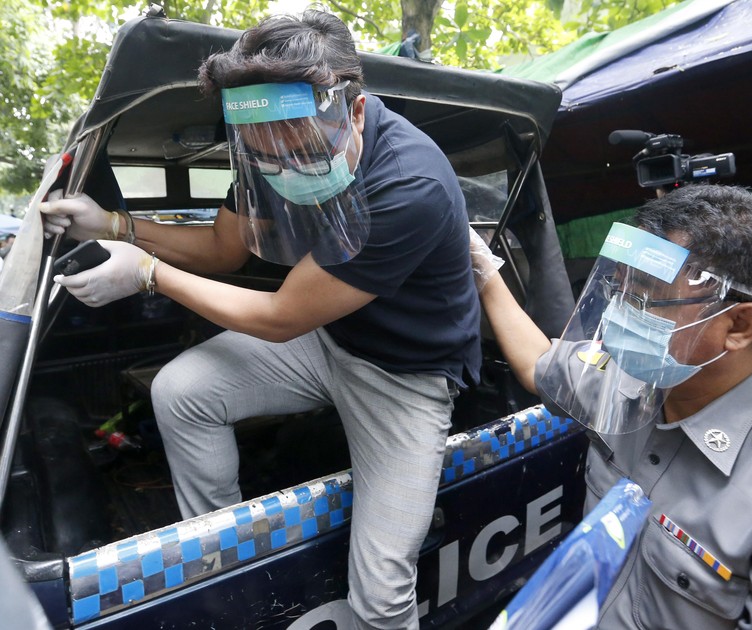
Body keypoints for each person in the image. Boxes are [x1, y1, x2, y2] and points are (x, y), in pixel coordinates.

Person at [41, 11, 480, 629]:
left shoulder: (409, 184)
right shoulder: (272, 142)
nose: (283, 170)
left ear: (353, 112)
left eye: (298, 153)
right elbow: (225, 248)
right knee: (182, 392)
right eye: (263, 156)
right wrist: (113, 225)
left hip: (406, 376)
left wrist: (146, 273)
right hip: (330, 340)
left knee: (382, 595)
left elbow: (278, 317)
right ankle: (220, 560)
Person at [471, 184, 752, 628]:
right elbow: (540, 365)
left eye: (645, 298)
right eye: (619, 289)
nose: (620, 313)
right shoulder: (630, 380)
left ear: (738, 325)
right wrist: (485, 272)